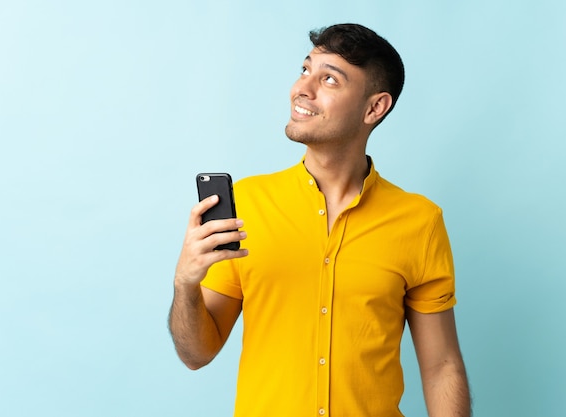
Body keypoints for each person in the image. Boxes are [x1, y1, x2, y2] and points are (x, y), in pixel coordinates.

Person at [169, 23, 471, 417]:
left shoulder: (420, 221)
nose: (302, 89)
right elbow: (196, 354)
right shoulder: (248, 203)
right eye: (305, 70)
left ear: (374, 107)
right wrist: (185, 283)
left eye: (328, 79)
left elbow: (442, 367)